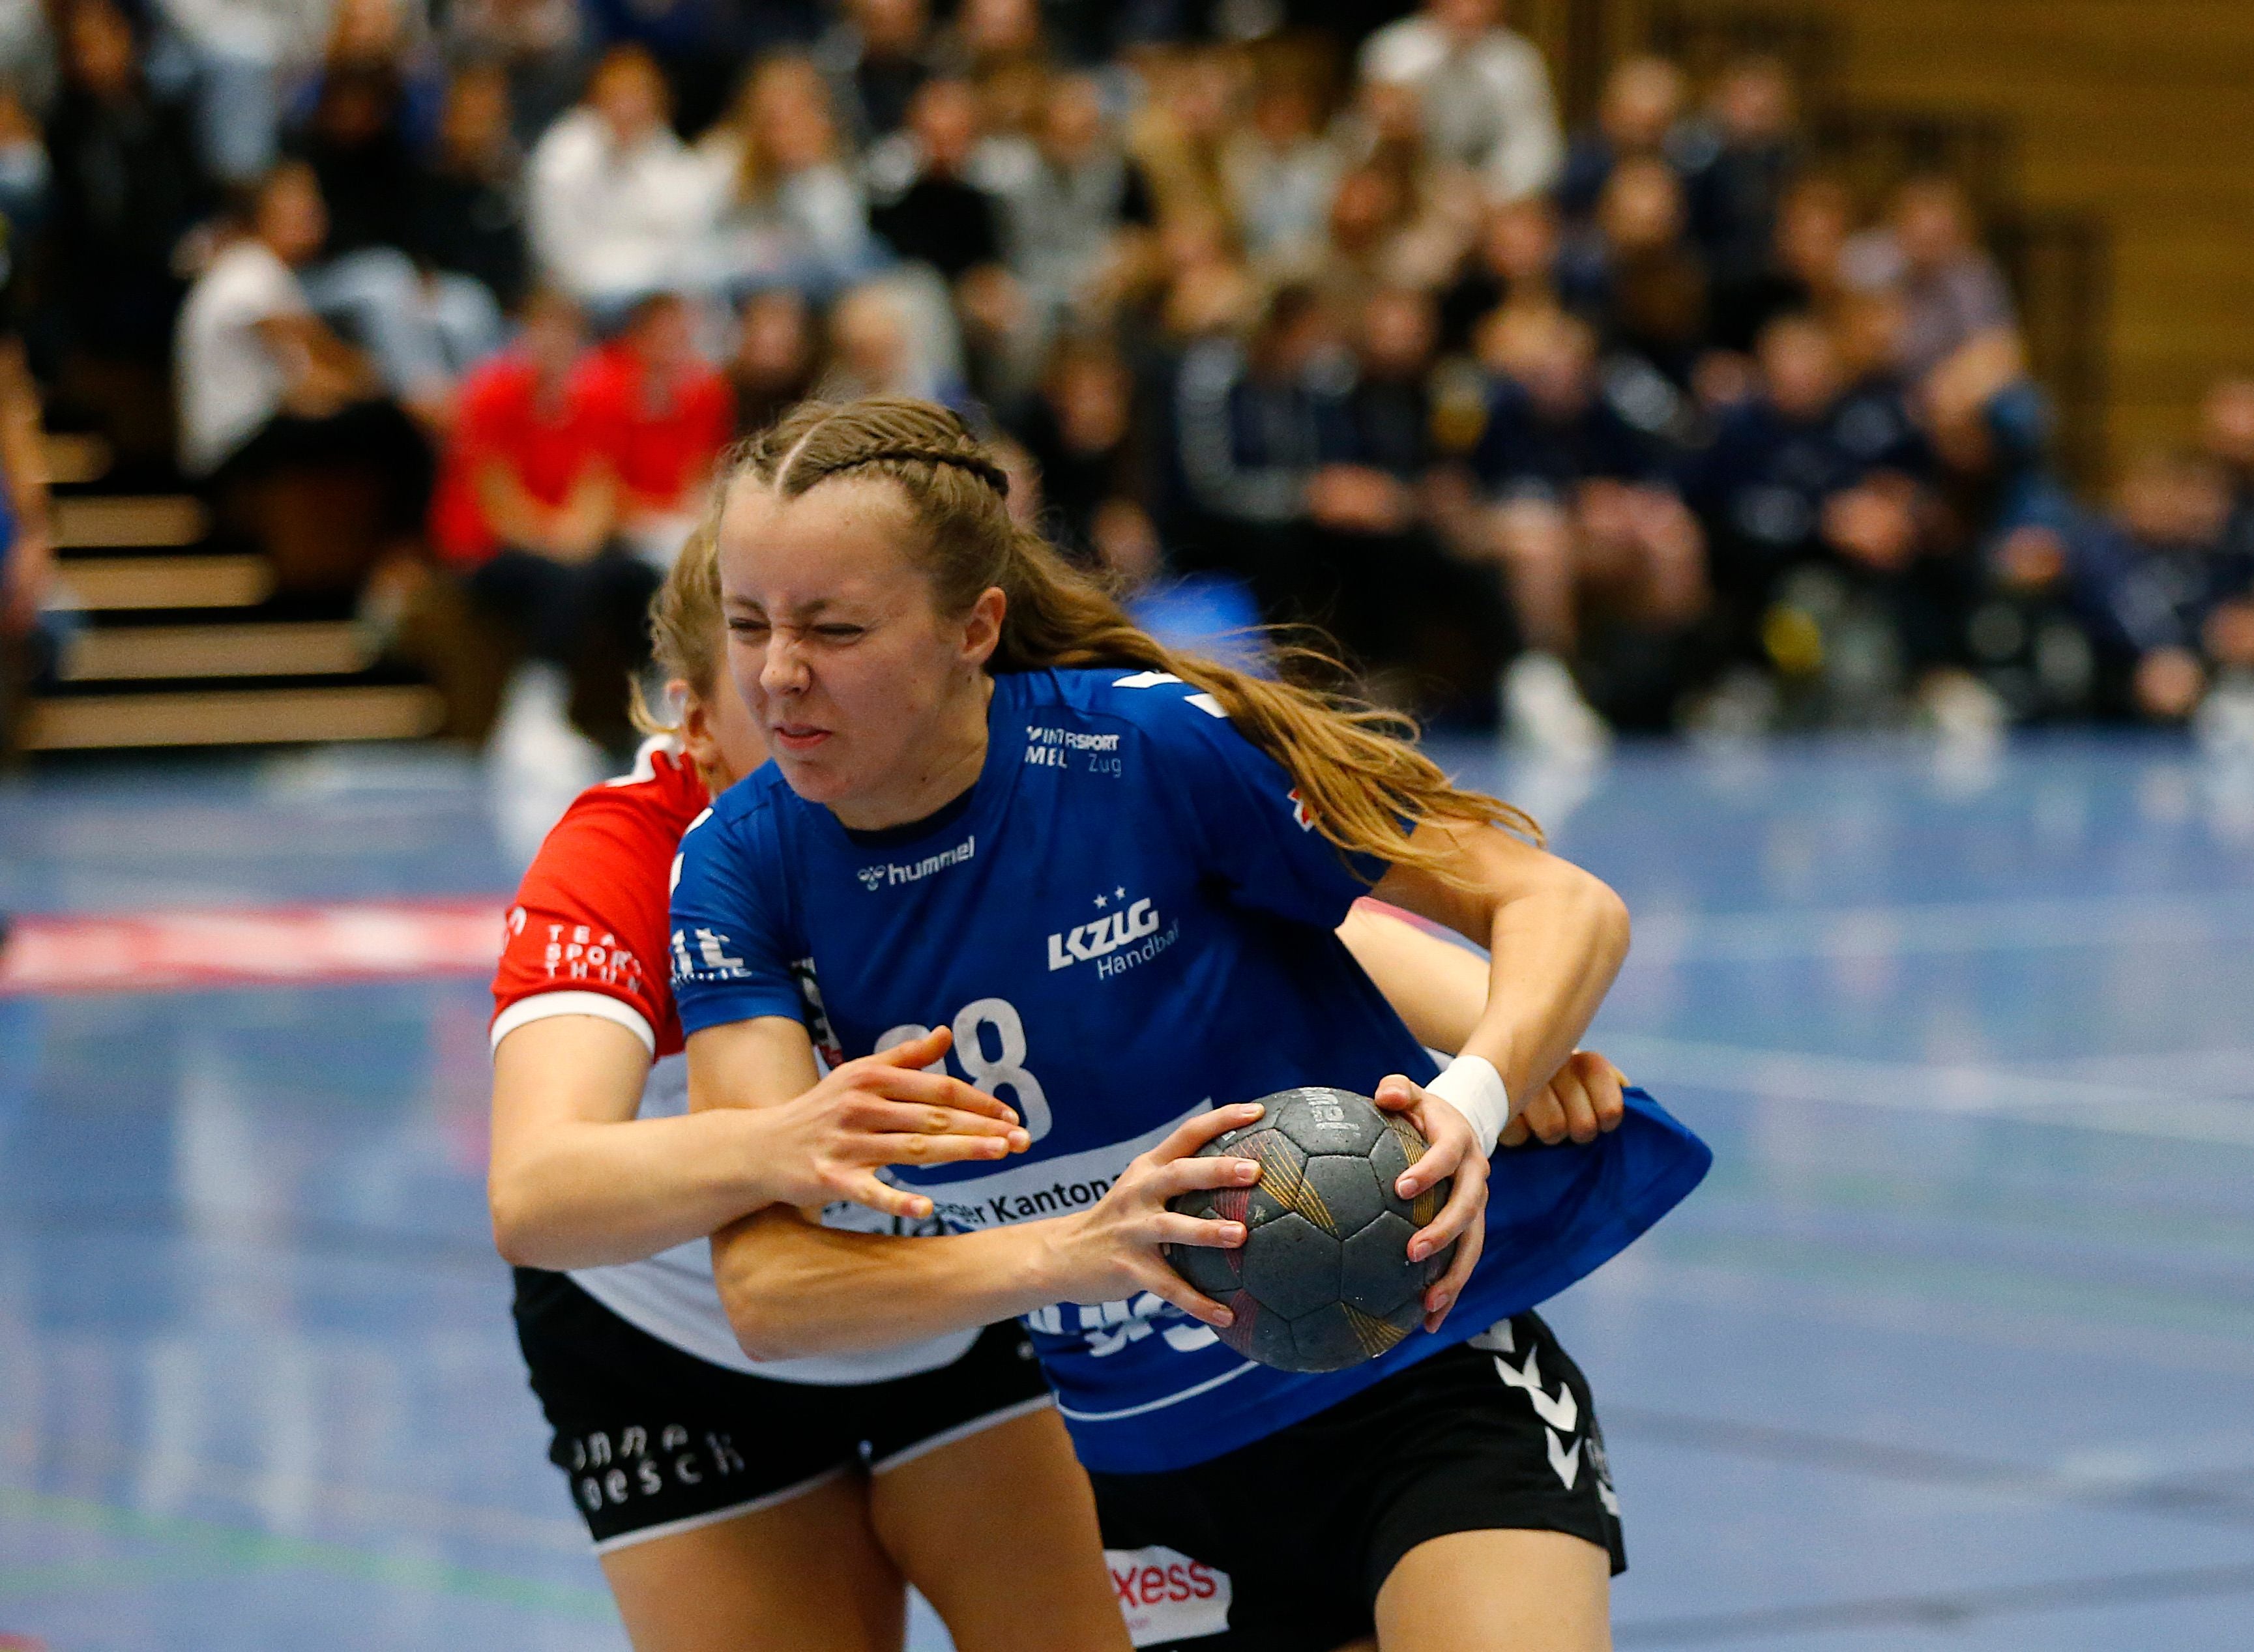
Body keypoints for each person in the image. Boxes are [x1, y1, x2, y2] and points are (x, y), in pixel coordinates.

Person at [668, 396, 1710, 1651]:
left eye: (834, 628)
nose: (779, 673)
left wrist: (1475, 1098)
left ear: (972, 629)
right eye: (748, 624)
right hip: (1142, 1476)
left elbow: (1557, 903)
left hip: (1408, 1382)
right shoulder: (736, 869)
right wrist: (1070, 1253)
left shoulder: (1138, 748)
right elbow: (773, 1292)